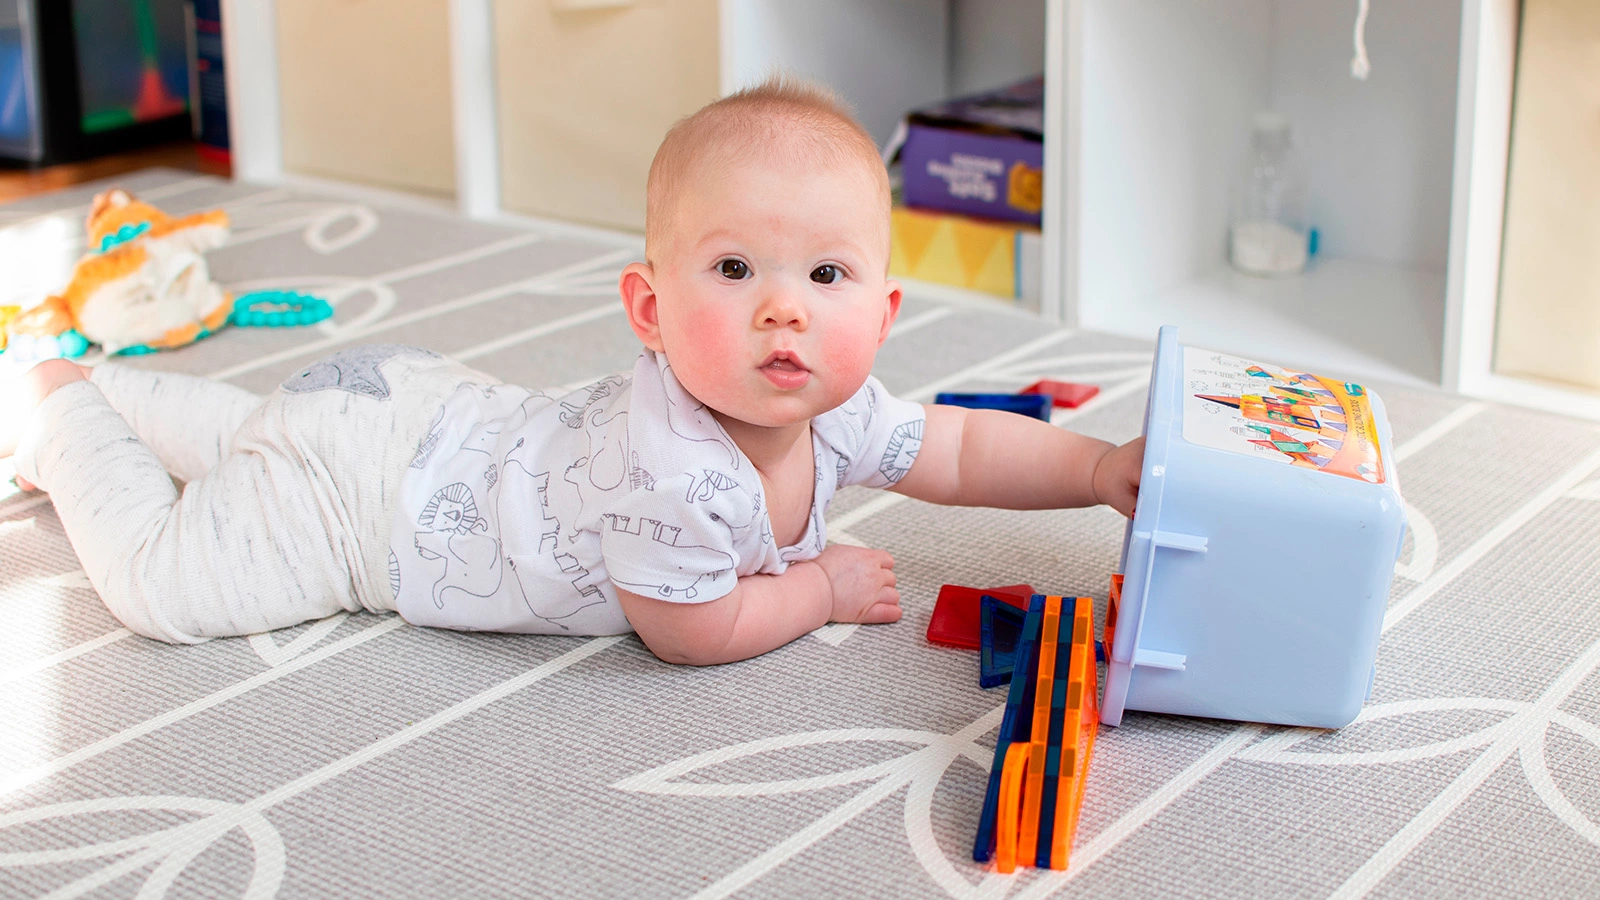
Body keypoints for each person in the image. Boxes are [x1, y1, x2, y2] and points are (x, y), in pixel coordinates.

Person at [3, 77, 1143, 665]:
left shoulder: (833, 413)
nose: (787, 306)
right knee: (168, 587)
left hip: (409, 415)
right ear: (649, 309)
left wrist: (1096, 468)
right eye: (736, 267)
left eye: (830, 275)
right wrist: (819, 590)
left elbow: (958, 445)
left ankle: (122, 396)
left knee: (253, 432)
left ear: (884, 313)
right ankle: (58, 404)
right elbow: (686, 633)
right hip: (371, 515)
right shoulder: (676, 470)